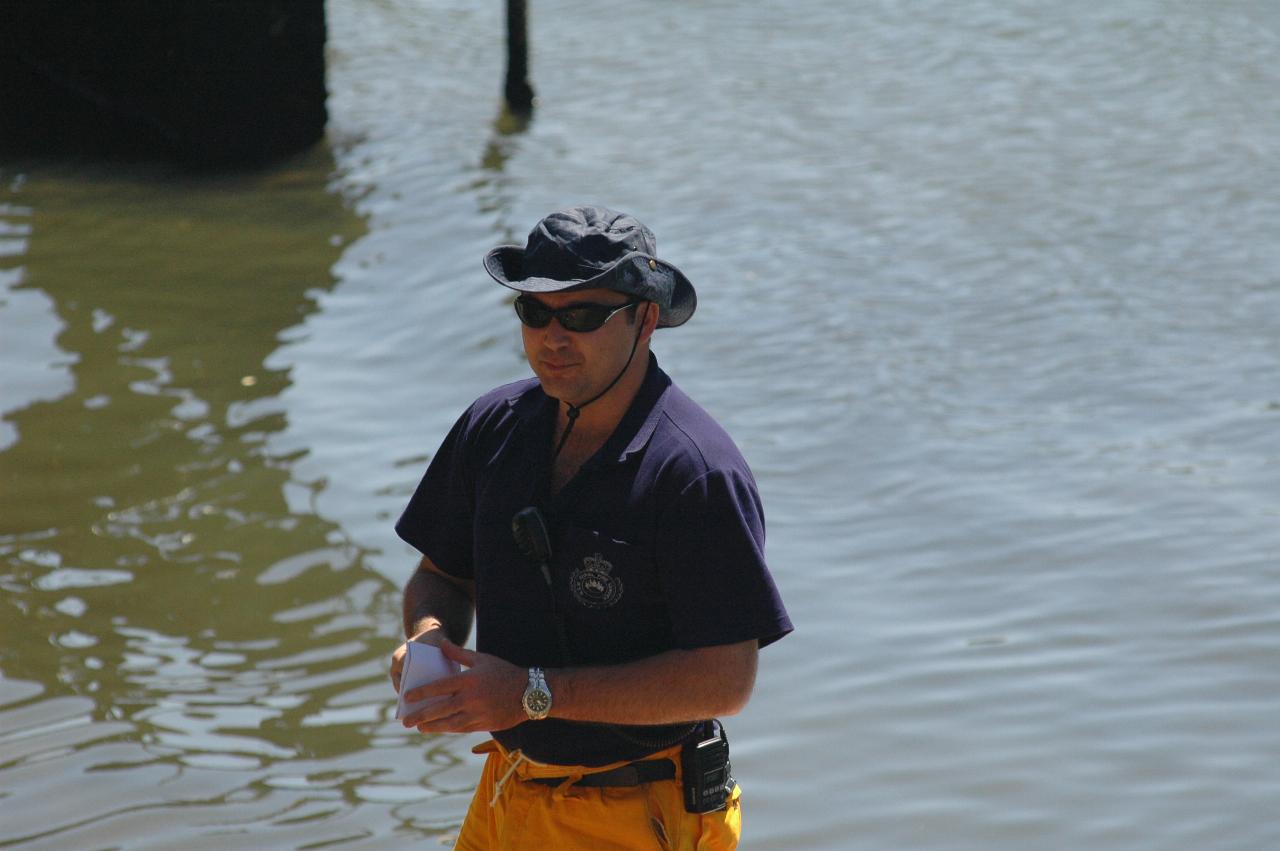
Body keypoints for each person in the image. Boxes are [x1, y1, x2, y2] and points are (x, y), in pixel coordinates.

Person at [390, 205, 792, 850]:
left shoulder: (695, 473)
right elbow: (441, 576)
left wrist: (531, 694)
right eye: (535, 313)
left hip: (638, 810)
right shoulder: (493, 425)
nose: (553, 337)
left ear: (646, 319)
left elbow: (725, 680)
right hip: (507, 789)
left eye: (582, 316)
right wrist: (430, 644)